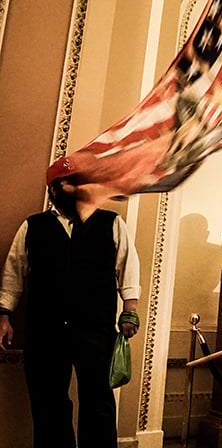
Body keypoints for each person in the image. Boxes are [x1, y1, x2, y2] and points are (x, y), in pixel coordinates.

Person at [0, 173, 141, 448]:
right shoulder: (33, 226)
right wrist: (4, 315)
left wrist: (130, 309)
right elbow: (13, 273)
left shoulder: (111, 222)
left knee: (98, 399)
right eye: (61, 184)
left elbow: (128, 266)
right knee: (47, 400)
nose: (68, 189)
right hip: (44, 329)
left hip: (96, 328)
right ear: (51, 189)